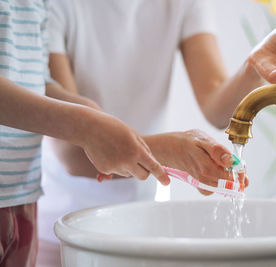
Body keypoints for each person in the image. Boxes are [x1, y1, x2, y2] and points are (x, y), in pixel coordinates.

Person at [37, 0, 276, 266]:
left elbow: (216, 105)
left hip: (139, 222)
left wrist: (256, 63)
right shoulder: (50, 5)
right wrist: (169, 151)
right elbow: (72, 151)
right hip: (57, 228)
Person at [0, 0, 193, 265]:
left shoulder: (35, 4)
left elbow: (34, 81)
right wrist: (86, 124)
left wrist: (92, 116)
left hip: (22, 196)